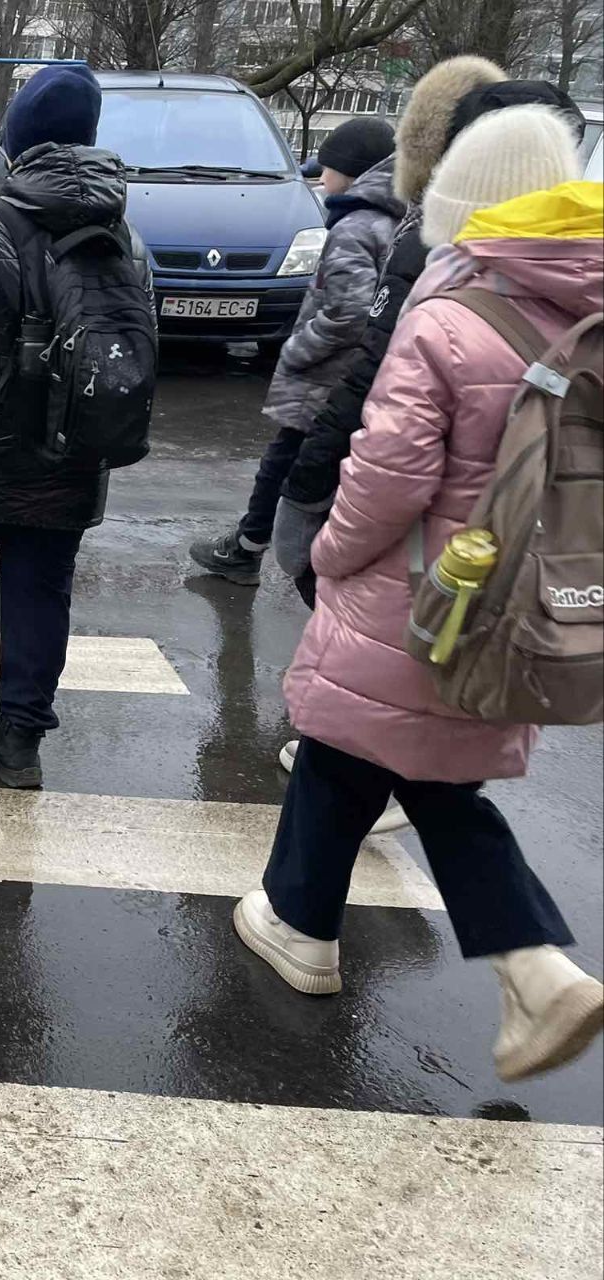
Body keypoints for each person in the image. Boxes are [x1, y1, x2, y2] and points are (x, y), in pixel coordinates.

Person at [233, 105, 604, 1083]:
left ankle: (523, 963)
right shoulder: (590, 316)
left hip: (422, 590)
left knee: (368, 748)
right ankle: (308, 922)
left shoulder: (447, 316)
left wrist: (330, 555)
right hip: (528, 602)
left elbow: (386, 474)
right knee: (385, 755)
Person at [0, 64, 153, 788]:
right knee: (43, 594)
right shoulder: (127, 239)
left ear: (17, 141)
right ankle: (18, 739)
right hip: (73, 457)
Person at [272, 71, 586, 589]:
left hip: (435, 566)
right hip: (553, 573)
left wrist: (313, 518)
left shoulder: (438, 276)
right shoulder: (583, 274)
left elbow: (390, 452)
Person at [188, 117, 403, 596]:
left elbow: (350, 312)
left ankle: (247, 548)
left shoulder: (355, 227)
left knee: (284, 463)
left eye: (327, 168)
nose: (321, 177)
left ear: (350, 172)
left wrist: (299, 347)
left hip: (327, 377)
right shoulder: (396, 220)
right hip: (357, 377)